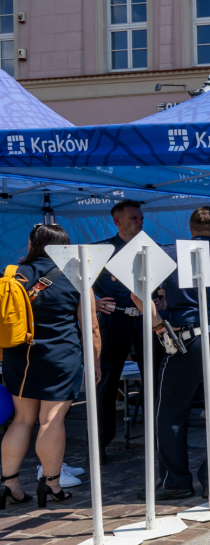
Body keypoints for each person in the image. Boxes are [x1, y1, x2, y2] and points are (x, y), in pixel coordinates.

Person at [133, 207, 210, 500]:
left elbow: (137, 293)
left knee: (172, 410)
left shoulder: (169, 254)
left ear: (190, 229)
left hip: (189, 338)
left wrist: (159, 327)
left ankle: (176, 482)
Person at [0, 224, 101, 509]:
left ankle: (9, 483)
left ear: (32, 243)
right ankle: (52, 484)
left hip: (19, 356)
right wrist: (94, 362)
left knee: (21, 419)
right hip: (61, 356)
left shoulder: (13, 274)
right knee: (51, 420)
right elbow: (91, 327)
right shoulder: (77, 276)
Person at [93, 199, 164, 465]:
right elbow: (77, 283)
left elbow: (166, 281)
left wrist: (164, 298)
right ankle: (99, 443)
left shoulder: (151, 248)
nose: (139, 222)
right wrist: (93, 302)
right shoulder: (101, 250)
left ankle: (157, 438)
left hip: (146, 320)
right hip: (114, 320)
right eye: (134, 218)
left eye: (141, 218)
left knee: (154, 379)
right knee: (106, 381)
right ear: (117, 221)